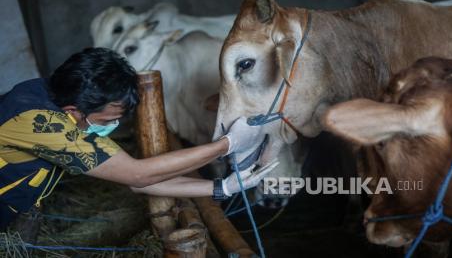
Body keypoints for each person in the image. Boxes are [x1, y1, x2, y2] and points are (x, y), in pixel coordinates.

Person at [0, 48, 277, 230]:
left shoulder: (58, 96)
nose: (113, 126)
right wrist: (226, 145)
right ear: (74, 111)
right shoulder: (44, 124)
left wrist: (223, 187)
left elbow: (141, 181)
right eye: (107, 121)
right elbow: (138, 175)